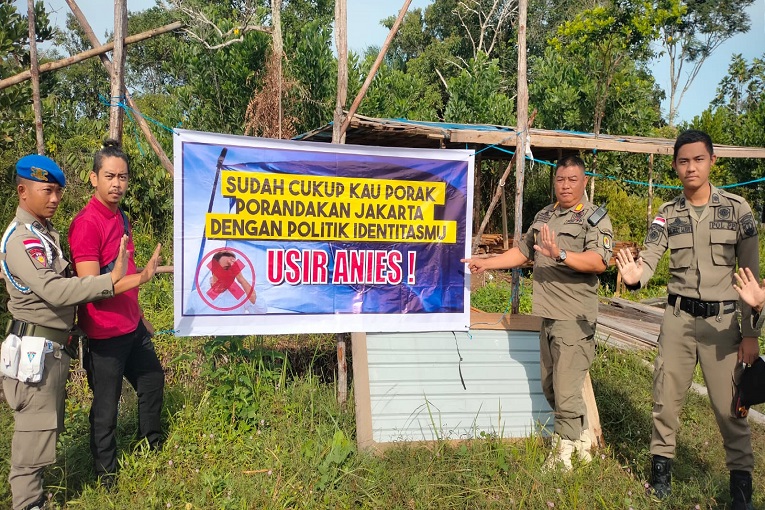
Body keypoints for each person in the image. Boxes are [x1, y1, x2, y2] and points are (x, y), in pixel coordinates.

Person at [615, 130, 760, 509]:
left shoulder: (738, 210)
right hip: (678, 320)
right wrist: (634, 277)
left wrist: (752, 333)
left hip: (723, 326)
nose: (691, 167)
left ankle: (741, 492)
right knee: (665, 399)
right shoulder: (667, 214)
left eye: (698, 159)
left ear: (712, 161)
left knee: (731, 406)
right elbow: (648, 258)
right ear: (675, 166)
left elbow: (751, 280)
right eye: (683, 160)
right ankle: (660, 478)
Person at [462, 155, 614, 470]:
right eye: (561, 179)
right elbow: (522, 251)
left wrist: (560, 253)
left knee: (565, 385)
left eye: (573, 179)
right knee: (551, 384)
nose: (566, 185)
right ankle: (582, 438)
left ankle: (563, 454)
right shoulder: (545, 214)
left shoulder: (593, 217)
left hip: (574, 316)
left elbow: (599, 262)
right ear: (554, 182)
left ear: (584, 181)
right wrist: (486, 262)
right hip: (547, 315)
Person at [0, 154, 131, 510]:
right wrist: (110, 280)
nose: (55, 198)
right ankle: (28, 504)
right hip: (34, 349)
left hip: (50, 348)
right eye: (47, 191)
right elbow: (56, 290)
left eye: (58, 191)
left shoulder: (42, 233)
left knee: (43, 434)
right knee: (32, 441)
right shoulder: (22, 240)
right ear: (23, 191)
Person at [67, 140, 163, 489]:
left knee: (152, 381)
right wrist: (143, 278)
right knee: (106, 409)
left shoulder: (121, 217)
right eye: (109, 176)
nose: (117, 184)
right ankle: (106, 478)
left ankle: (153, 448)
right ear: (94, 178)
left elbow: (125, 272)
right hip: (104, 334)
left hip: (131, 327)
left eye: (122, 177)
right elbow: (91, 285)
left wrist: (139, 315)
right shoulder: (87, 224)